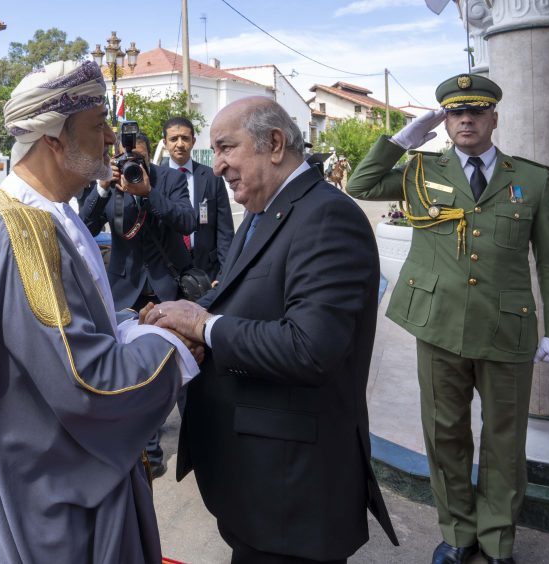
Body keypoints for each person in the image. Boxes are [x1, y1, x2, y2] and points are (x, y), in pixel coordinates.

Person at [0, 60, 198, 564]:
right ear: (53, 141)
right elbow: (89, 385)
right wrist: (175, 342)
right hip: (44, 500)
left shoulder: (33, 214)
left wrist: (133, 323)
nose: (110, 137)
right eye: (96, 124)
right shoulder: (25, 233)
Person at [143, 97, 398, 564]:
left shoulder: (327, 217)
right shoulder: (267, 209)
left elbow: (309, 348)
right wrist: (186, 314)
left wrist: (205, 325)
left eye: (225, 148)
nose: (216, 165)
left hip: (292, 496)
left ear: (275, 144)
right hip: (262, 490)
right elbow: (240, 296)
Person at [347, 74, 549, 564]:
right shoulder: (420, 171)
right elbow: (360, 185)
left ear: (493, 118)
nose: (467, 119)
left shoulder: (530, 179)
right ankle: (458, 534)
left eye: (477, 111)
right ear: (445, 120)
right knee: (445, 436)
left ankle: (497, 539)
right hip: (439, 325)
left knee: (505, 442)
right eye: (456, 112)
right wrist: (400, 141)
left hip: (507, 329)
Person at [80, 126, 196, 479]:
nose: (133, 164)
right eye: (127, 160)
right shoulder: (108, 182)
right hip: (125, 290)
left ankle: (197, 441)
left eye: (140, 159)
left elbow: (187, 220)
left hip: (166, 288)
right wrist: (102, 187)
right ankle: (149, 453)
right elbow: (84, 224)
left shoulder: (168, 180)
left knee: (183, 374)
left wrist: (148, 192)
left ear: (150, 156)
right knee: (137, 377)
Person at [161, 116, 234, 282]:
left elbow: (225, 231)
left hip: (207, 270)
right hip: (168, 271)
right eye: (173, 139)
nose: (180, 144)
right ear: (165, 143)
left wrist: (225, 274)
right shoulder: (156, 179)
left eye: (185, 138)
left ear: (193, 141)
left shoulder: (211, 177)